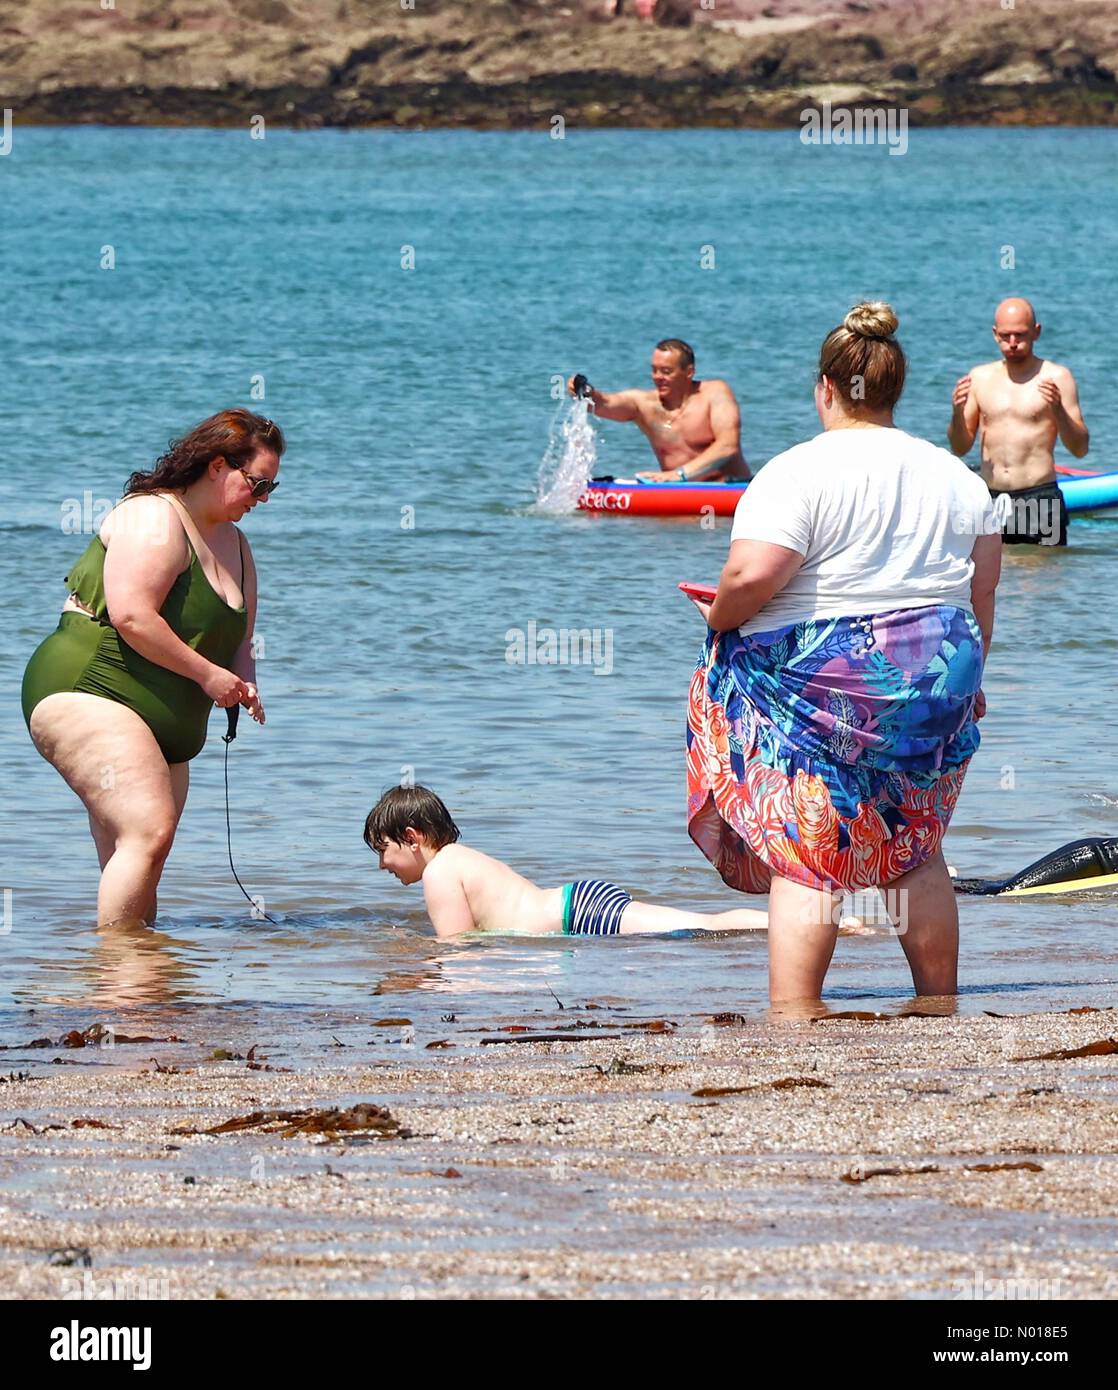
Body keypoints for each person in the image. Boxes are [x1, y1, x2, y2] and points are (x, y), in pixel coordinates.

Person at [685, 302, 1002, 1005]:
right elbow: (980, 598)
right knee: (915, 842)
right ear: (894, 389)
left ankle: (796, 1013)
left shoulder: (796, 472)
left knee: (808, 851)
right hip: (937, 675)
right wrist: (971, 683)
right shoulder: (959, 479)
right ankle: (937, 999)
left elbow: (751, 577)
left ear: (826, 388)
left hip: (830, 684)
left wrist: (719, 614)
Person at [21, 408, 283, 931]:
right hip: (94, 688)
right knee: (149, 831)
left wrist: (243, 680)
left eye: (271, 490)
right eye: (256, 485)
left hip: (167, 720)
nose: (261, 501)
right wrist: (209, 677)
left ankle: (137, 984)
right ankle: (117, 967)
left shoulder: (238, 546)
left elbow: (241, 642)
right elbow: (132, 615)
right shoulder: (154, 517)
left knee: (142, 853)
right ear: (216, 466)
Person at [362, 784, 809, 940]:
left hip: (581, 918)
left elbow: (459, 949)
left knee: (704, 926)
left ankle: (814, 924)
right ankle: (809, 922)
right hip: (579, 906)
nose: (383, 865)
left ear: (411, 837)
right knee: (700, 922)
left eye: (383, 850)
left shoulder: (439, 871)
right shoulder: (459, 857)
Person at [947, 297, 1089, 547]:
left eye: (1020, 335)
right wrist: (957, 412)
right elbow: (960, 447)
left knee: (1044, 581)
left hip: (1040, 498)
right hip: (991, 499)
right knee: (990, 581)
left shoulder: (1057, 377)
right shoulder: (979, 378)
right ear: (994, 334)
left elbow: (1080, 449)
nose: (1012, 343)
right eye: (1005, 336)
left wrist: (1058, 409)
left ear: (1037, 332)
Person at [567, 339, 750, 482]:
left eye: (666, 371)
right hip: (676, 495)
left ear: (689, 372)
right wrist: (584, 390)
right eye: (654, 370)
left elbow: (728, 446)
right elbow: (603, 403)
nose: (658, 377)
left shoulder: (715, 392)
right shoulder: (644, 404)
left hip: (729, 489)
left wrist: (679, 475)